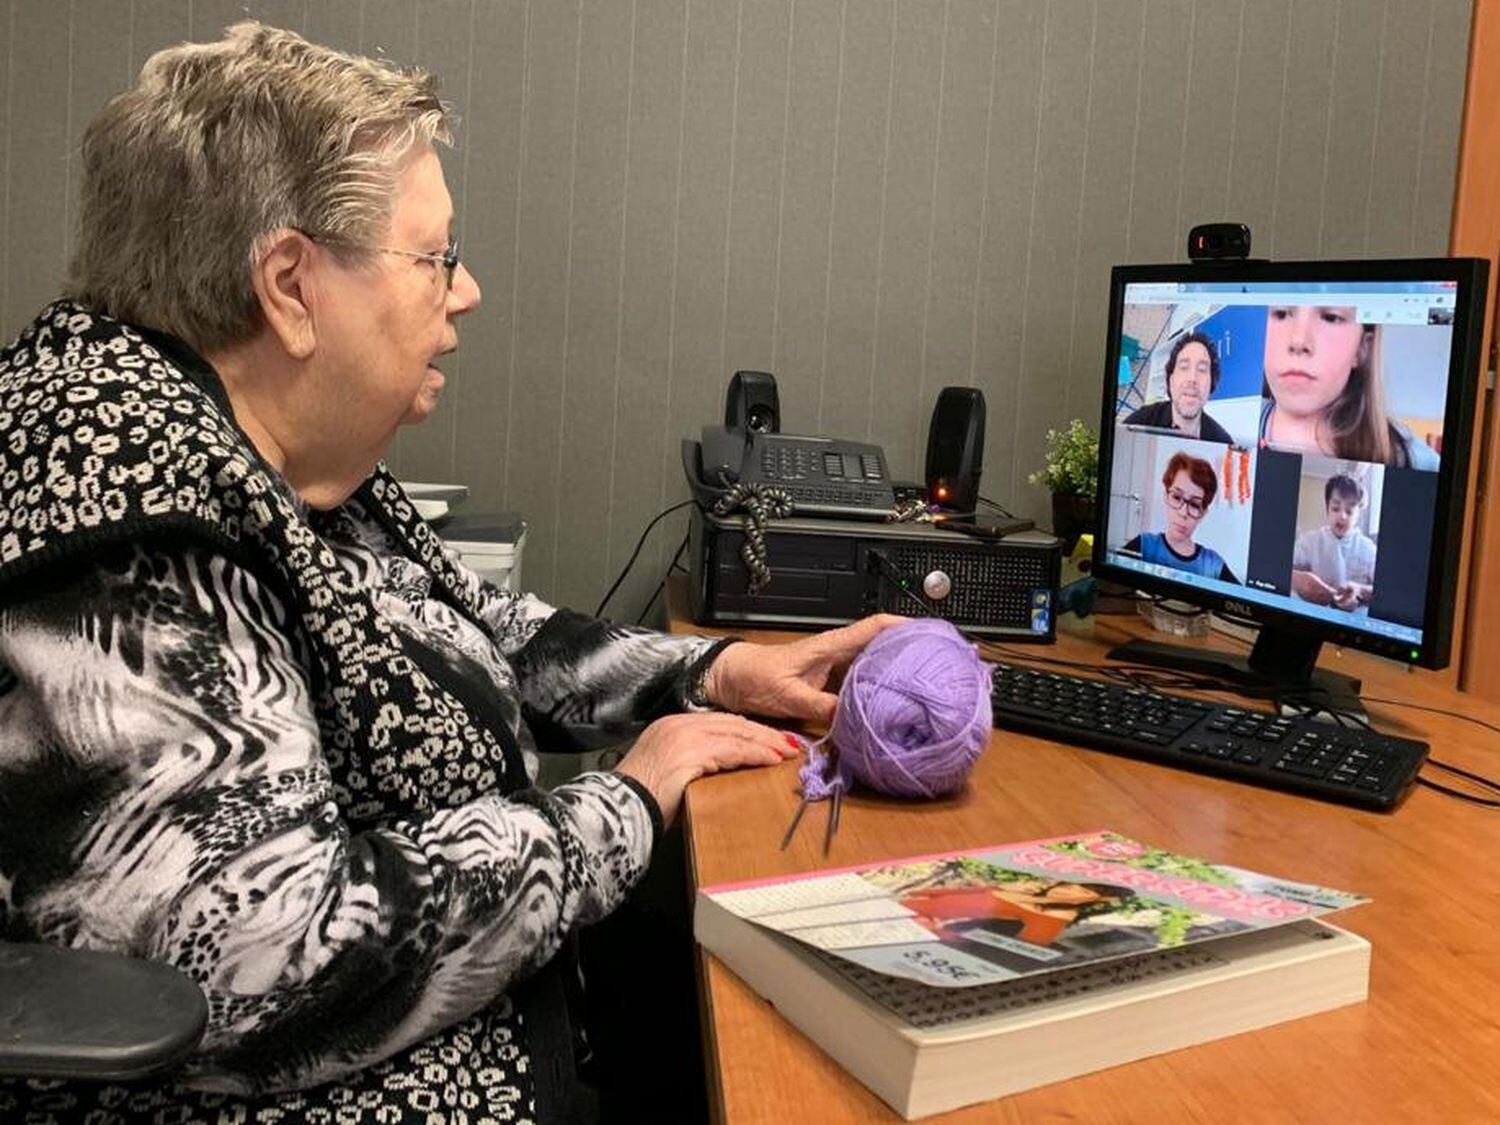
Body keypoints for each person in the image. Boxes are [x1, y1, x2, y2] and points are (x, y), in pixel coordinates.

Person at [0, 24, 901, 1124]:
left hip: (491, 1003)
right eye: (436, 255)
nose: (465, 290)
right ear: (290, 283)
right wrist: (621, 804)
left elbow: (477, 628)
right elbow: (259, 961)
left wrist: (713, 675)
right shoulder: (129, 506)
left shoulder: (274, 453)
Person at [1259, 305, 1439, 469]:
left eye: (1330, 317)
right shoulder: (1232, 425)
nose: (1298, 342)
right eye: (1281, 314)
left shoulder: (1418, 462)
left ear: (1363, 348)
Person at [1121, 452, 1241, 583]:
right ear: (1166, 497)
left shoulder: (1214, 566)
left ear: (1203, 514)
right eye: (1177, 497)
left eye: (1195, 505)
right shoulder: (1144, 545)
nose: (1183, 513)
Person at [1123, 331, 1234, 444]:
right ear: (1170, 380)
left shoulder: (1222, 443)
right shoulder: (1137, 425)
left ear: (1211, 384)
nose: (1192, 378)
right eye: (1184, 367)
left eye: (1202, 369)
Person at [1291, 474, 1378, 612]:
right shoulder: (1309, 541)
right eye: (1336, 508)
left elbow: (1387, 591)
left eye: (1349, 511)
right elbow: (1283, 570)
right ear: (1327, 509)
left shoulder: (1368, 549)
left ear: (1358, 515)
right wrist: (1298, 579)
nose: (1342, 516)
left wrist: (1359, 590)